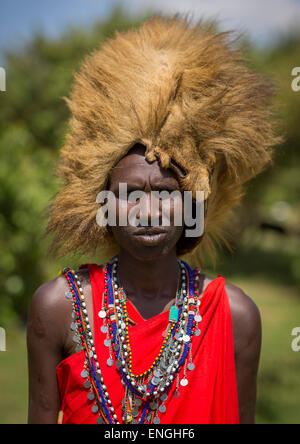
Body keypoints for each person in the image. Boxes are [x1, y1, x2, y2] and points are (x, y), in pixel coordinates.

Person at [26, 14, 281, 424]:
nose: (148, 212)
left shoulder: (233, 316)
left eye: (165, 193)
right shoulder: (59, 308)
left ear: (193, 206)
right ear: (103, 206)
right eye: (128, 195)